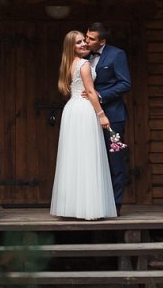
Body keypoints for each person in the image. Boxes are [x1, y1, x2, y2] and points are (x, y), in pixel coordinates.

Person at [50, 30, 117, 220]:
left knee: (74, 157)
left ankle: (72, 207)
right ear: (71, 47)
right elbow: (91, 92)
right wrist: (102, 115)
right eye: (79, 42)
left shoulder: (68, 64)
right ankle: (89, 208)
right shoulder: (84, 64)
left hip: (72, 110)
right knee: (87, 156)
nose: (84, 44)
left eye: (84, 41)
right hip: (84, 110)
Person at [84, 22, 131, 213]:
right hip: (87, 115)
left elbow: (125, 83)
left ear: (102, 42)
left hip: (112, 115)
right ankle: (95, 203)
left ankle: (115, 205)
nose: (86, 41)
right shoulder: (83, 55)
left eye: (91, 39)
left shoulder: (117, 55)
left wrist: (100, 95)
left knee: (115, 159)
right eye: (86, 36)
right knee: (92, 158)